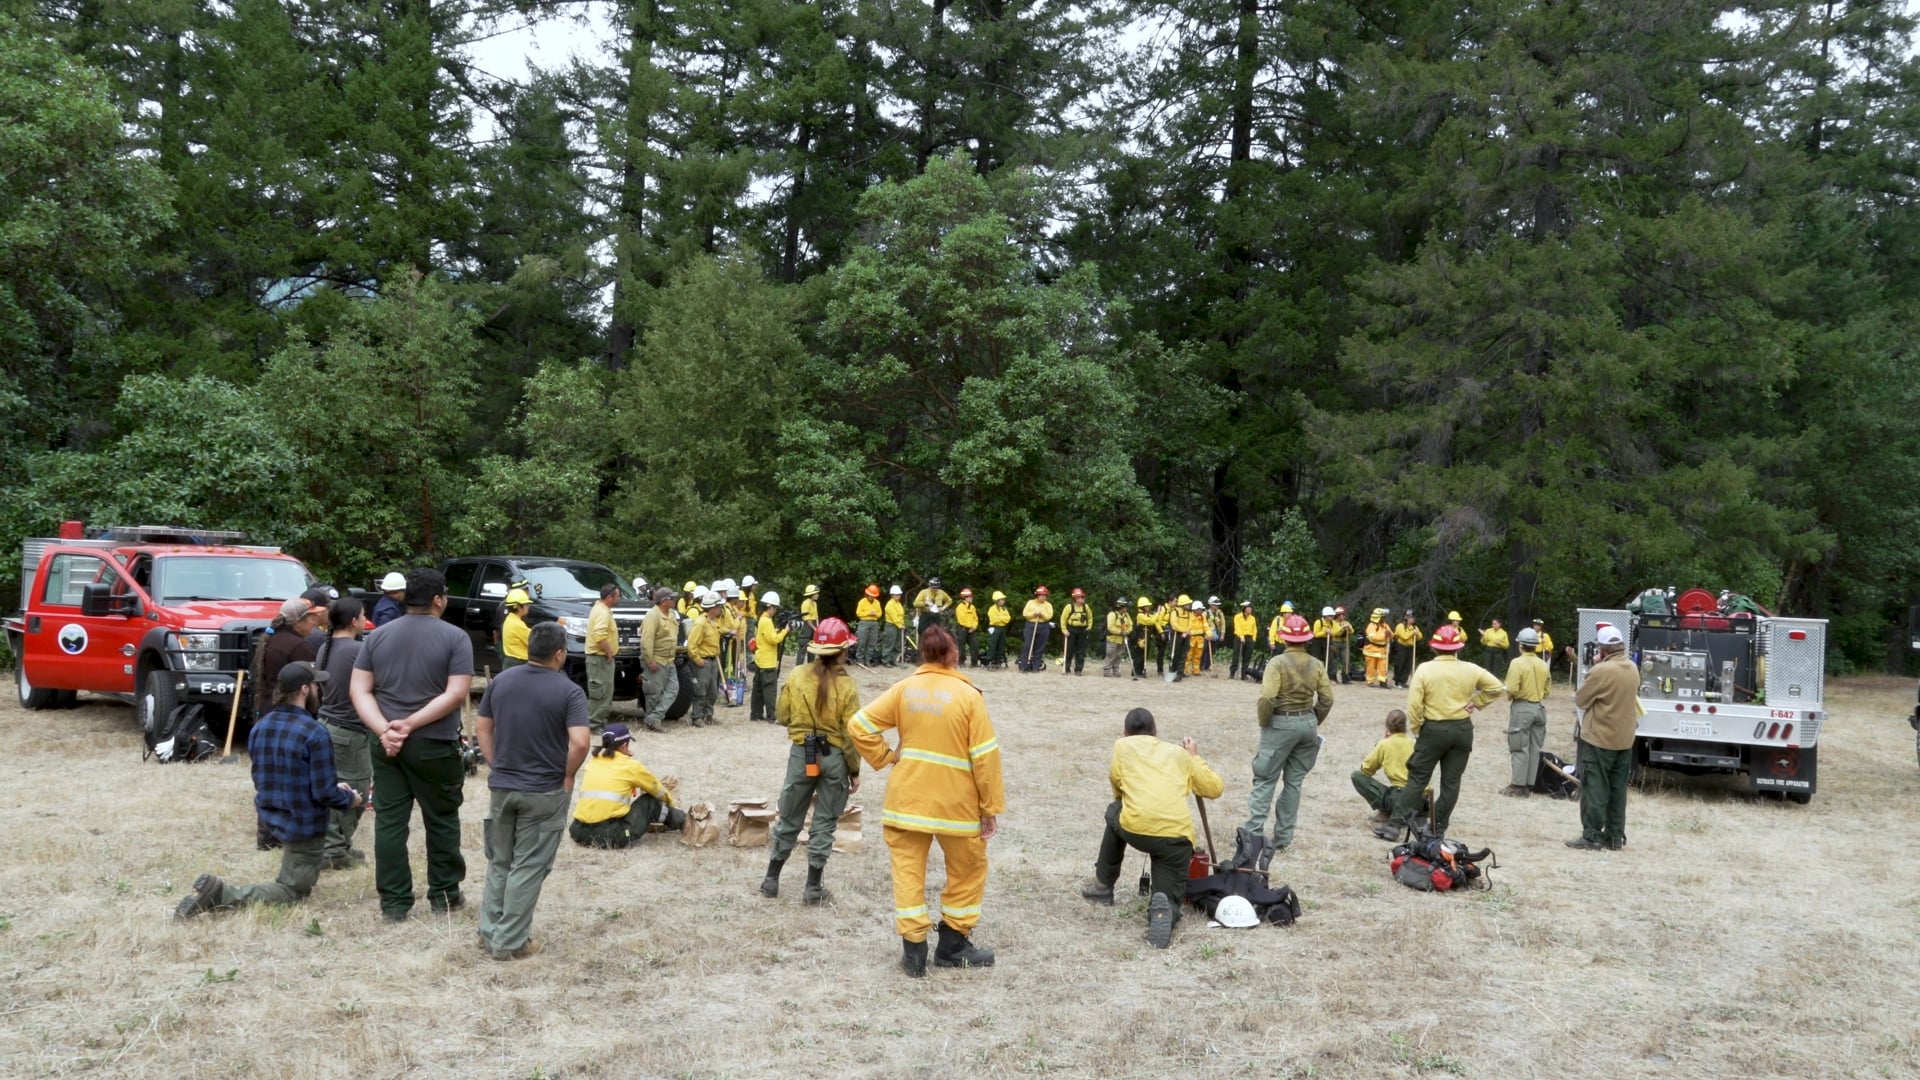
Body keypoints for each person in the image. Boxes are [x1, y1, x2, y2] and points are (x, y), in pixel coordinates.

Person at [849, 625, 1003, 978]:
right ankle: (952, 945)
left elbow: (859, 725)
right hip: (957, 807)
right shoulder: (968, 696)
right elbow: (985, 757)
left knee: (907, 873)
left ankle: (914, 955)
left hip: (907, 801)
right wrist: (989, 808)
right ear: (953, 653)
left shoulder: (904, 690)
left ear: (923, 653)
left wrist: (886, 757)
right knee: (967, 869)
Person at [175, 661, 364, 920]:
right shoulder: (315, 732)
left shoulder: (261, 726)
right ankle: (221, 895)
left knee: (298, 869)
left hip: (274, 817)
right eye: (317, 686)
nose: (320, 691)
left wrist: (331, 788)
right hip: (304, 825)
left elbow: (267, 776)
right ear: (305, 689)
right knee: (293, 890)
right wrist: (351, 799)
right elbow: (324, 794)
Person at [350, 567, 475, 921]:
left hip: (387, 744)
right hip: (434, 743)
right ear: (439, 600)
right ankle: (445, 894)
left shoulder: (377, 636)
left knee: (390, 822)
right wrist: (410, 724)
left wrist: (385, 730)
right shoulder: (455, 638)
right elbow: (456, 693)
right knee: (442, 818)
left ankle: (394, 903)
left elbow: (359, 690)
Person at [474, 621, 591, 960]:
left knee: (500, 862)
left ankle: (490, 932)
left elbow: (483, 727)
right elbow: (581, 742)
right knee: (528, 865)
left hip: (503, 789)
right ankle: (510, 942)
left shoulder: (501, 682)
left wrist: (497, 763)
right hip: (543, 791)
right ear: (559, 653)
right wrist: (567, 775)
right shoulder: (568, 691)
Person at [1079, 708, 1224, 949]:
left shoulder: (1121, 747)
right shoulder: (1179, 754)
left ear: (1125, 733)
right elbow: (1214, 788)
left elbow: (1117, 787)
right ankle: (1164, 911)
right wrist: (1194, 757)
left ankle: (1103, 886)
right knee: (1168, 896)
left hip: (1134, 827)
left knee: (1115, 810)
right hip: (1176, 839)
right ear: (1156, 732)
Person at [761, 618, 863, 904]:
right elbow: (851, 734)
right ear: (842, 650)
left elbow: (782, 716)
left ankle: (771, 880)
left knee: (789, 817)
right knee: (824, 823)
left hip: (801, 755)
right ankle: (812, 888)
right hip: (835, 759)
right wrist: (854, 771)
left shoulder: (796, 675)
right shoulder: (848, 686)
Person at [1375, 625, 1504, 841]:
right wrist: (1478, 702)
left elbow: (1414, 705)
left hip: (1433, 729)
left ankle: (1394, 826)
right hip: (1462, 729)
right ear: (1458, 649)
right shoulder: (1471, 669)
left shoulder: (1424, 670)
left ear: (1434, 648)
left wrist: (1417, 729)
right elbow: (1497, 687)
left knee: (1416, 779)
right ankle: (1437, 829)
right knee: (1451, 783)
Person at [1243, 613, 1332, 856]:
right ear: (1307, 639)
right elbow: (1327, 698)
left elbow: (1268, 697)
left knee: (1265, 778)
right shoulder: (1316, 664)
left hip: (1281, 723)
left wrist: (1266, 723)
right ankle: (1283, 838)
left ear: (1284, 639)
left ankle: (1252, 835)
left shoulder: (1278, 663)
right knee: (1294, 782)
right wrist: (1313, 719)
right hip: (1307, 724)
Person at [1568, 625, 1637, 851]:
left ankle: (1592, 836)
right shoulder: (1632, 668)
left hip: (1599, 738)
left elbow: (1581, 700)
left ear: (1604, 649)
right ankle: (1615, 837)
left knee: (1595, 787)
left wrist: (1595, 668)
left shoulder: (1601, 671)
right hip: (1624, 740)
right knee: (1618, 790)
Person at [316, 597, 373, 871]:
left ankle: (337, 846)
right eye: (363, 615)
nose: (365, 620)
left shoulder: (324, 647)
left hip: (328, 724)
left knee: (335, 786)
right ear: (353, 621)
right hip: (349, 730)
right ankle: (335, 850)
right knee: (356, 789)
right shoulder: (356, 651)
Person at [571, 723, 684, 847]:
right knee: (651, 801)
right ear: (624, 745)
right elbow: (658, 791)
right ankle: (684, 821)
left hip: (578, 831)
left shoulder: (593, 763)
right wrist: (672, 804)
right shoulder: (630, 766)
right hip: (610, 835)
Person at [1501, 626, 1551, 798]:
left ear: (1520, 646)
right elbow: (1547, 690)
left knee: (1519, 746)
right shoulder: (1543, 664)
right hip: (1539, 708)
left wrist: (1510, 695)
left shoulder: (1517, 663)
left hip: (1522, 708)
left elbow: (1512, 688)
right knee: (1534, 748)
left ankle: (1517, 785)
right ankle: (1529, 785)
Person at [255, 596, 321, 714]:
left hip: (268, 710)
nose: (315, 623)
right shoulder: (298, 647)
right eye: (312, 618)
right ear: (299, 622)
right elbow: (311, 683)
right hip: (290, 714)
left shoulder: (272, 638)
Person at [1351, 709, 1419, 822]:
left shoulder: (1385, 744)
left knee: (1356, 776)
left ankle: (1387, 812)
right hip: (1420, 800)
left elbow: (1366, 770)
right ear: (1404, 726)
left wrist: (1379, 745)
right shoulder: (1415, 743)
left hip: (1399, 798)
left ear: (1387, 727)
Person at [638, 586, 680, 732]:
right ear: (663, 601)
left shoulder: (671, 614)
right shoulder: (652, 616)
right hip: (656, 660)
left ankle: (654, 717)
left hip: (669, 659)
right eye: (671, 598)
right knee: (653, 693)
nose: (674, 600)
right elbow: (646, 640)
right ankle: (653, 721)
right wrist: (649, 661)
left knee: (673, 689)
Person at [583, 582, 620, 736]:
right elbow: (599, 635)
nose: (619, 599)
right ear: (610, 597)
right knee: (600, 693)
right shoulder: (602, 612)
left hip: (600, 659)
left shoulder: (601, 609)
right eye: (618, 596)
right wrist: (609, 651)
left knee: (605, 693)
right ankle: (593, 725)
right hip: (599, 659)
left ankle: (599, 723)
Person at [684, 591, 724, 727]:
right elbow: (691, 644)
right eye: (719, 606)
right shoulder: (701, 623)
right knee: (700, 690)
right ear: (713, 607)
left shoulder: (713, 622)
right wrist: (697, 660)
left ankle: (708, 715)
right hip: (703, 661)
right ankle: (697, 717)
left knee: (712, 691)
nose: (721, 609)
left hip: (713, 660)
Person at [750, 591, 790, 723]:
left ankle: (756, 713)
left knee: (758, 689)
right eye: (775, 608)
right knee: (770, 689)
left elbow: (767, 635)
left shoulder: (761, 619)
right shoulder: (767, 621)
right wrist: (785, 631)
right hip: (768, 662)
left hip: (760, 659)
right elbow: (774, 639)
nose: (776, 611)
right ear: (771, 607)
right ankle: (772, 715)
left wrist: (778, 630)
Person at [1059, 588, 1095, 676]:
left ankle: (1078, 670)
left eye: (1083, 597)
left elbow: (1090, 617)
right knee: (1069, 650)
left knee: (1081, 651)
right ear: (1075, 598)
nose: (1083, 599)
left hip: (1083, 630)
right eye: (1081, 597)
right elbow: (1063, 619)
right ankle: (1066, 668)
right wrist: (1064, 630)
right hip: (1071, 629)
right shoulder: (1069, 607)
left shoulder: (1086, 607)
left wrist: (1089, 626)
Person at [1019, 586, 1054, 672]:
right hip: (1031, 625)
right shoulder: (1030, 603)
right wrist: (1034, 614)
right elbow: (1025, 614)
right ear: (1037, 595)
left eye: (1045, 595)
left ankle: (1036, 666)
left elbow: (1049, 616)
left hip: (1043, 626)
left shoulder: (1048, 605)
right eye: (1042, 595)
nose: (1044, 597)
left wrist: (1042, 615)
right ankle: (1023, 666)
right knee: (1027, 645)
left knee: (1040, 647)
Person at [499, 588, 533, 670]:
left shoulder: (510, 619)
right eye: (526, 605)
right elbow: (534, 641)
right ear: (518, 607)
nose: (528, 607)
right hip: (518, 663)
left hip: (511, 662)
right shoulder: (517, 624)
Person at [1391, 610, 1422, 689]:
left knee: (1407, 665)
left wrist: (1416, 633)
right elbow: (1404, 636)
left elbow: (1420, 636)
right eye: (1411, 617)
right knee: (1399, 664)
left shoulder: (1414, 627)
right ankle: (1397, 681)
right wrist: (1412, 633)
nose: (1412, 619)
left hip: (1410, 647)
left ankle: (1403, 681)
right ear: (1406, 617)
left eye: (1413, 617)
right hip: (1401, 647)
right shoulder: (1400, 626)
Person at [1102, 596, 1132, 678]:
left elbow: (1130, 625)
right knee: (1111, 655)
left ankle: (1116, 670)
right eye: (1125, 607)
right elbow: (1110, 627)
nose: (1126, 609)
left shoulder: (1126, 615)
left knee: (1119, 655)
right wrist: (1120, 632)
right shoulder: (1112, 614)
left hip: (1122, 639)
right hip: (1112, 639)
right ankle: (1107, 670)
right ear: (1121, 607)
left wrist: (1127, 631)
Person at [1363, 608, 1392, 687]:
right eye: (1383, 617)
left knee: (1382, 666)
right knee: (1371, 667)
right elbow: (1373, 637)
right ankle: (1370, 681)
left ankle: (1382, 681)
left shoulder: (1385, 625)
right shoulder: (1371, 626)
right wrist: (1384, 636)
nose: (1384, 618)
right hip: (1371, 650)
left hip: (1382, 650)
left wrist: (1390, 635)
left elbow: (1391, 635)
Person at [855, 584, 884, 667]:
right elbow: (858, 613)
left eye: (874, 596)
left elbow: (880, 614)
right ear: (867, 594)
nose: (872, 597)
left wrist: (875, 614)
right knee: (862, 642)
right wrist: (869, 613)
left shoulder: (877, 603)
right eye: (871, 595)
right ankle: (860, 660)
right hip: (864, 623)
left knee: (872, 643)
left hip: (874, 623)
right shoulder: (862, 602)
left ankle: (868, 660)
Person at [1230, 601, 1258, 681]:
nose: (1250, 609)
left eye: (1251, 608)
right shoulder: (1238, 617)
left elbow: (1254, 629)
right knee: (1236, 655)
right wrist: (1241, 636)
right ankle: (1232, 673)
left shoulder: (1252, 618)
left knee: (1247, 657)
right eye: (1248, 608)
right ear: (1244, 608)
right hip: (1239, 637)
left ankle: (1244, 674)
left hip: (1249, 637)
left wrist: (1254, 639)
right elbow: (1237, 627)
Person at [953, 588, 980, 666]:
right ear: (965, 597)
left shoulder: (972, 607)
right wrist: (970, 627)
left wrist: (974, 627)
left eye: (971, 596)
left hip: (971, 629)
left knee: (975, 644)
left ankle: (974, 663)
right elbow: (961, 620)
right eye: (969, 597)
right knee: (961, 645)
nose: (971, 598)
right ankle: (961, 662)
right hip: (962, 628)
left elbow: (975, 618)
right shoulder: (960, 607)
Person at [985, 591, 1012, 668]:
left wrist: (1000, 618)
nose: (1003, 601)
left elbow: (1008, 618)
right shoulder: (992, 609)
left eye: (1003, 599)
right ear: (997, 600)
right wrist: (1003, 619)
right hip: (994, 628)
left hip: (1002, 629)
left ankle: (998, 662)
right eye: (1001, 599)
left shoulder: (1004, 609)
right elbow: (994, 620)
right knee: (992, 645)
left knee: (1001, 645)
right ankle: (990, 661)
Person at [882, 585, 908, 666]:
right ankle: (886, 660)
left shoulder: (898, 604)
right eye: (897, 595)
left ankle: (894, 660)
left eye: (899, 594)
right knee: (889, 643)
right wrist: (900, 625)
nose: (898, 596)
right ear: (892, 595)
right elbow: (894, 617)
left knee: (897, 644)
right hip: (891, 626)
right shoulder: (889, 605)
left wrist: (902, 624)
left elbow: (901, 616)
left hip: (899, 625)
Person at [796, 584, 821, 666]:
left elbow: (816, 616)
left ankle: (810, 665)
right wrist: (814, 628)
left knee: (812, 646)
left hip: (813, 624)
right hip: (807, 625)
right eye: (816, 593)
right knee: (803, 646)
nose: (817, 595)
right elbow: (807, 618)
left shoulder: (815, 604)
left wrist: (817, 627)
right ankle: (799, 666)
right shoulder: (805, 603)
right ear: (812, 594)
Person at [1130, 597, 1154, 680]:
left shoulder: (1147, 614)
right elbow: (1151, 621)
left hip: (1147, 637)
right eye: (1146, 606)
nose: (1148, 607)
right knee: (1139, 654)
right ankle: (1136, 671)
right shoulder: (1140, 615)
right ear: (1142, 607)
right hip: (1140, 637)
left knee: (1145, 655)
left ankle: (1141, 670)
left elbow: (1153, 619)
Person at [1330, 606, 1355, 684]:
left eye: (1343, 614)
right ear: (1337, 615)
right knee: (1334, 661)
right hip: (1335, 642)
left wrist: (1349, 629)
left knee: (1346, 660)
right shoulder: (1332, 623)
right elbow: (1334, 632)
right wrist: (1341, 629)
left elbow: (1352, 631)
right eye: (1341, 614)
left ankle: (1345, 676)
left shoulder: (1346, 623)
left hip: (1344, 643)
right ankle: (1333, 677)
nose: (1342, 616)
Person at [1184, 599, 1208, 677]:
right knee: (1188, 655)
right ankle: (1185, 670)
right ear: (1196, 609)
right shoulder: (1190, 616)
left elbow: (1206, 626)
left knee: (1198, 656)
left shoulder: (1202, 617)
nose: (1202, 611)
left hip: (1200, 639)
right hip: (1191, 638)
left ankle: (1196, 670)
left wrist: (1209, 634)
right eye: (1201, 609)